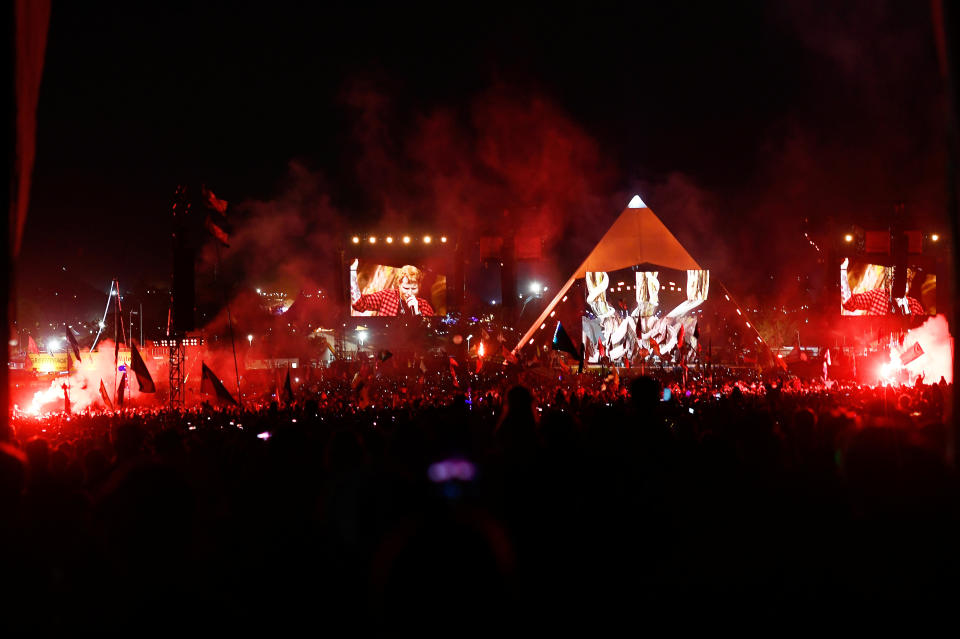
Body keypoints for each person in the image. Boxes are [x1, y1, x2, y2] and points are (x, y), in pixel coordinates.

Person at [840, 258, 924, 316]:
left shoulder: (915, 305)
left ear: (909, 285)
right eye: (896, 281)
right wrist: (843, 270)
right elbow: (849, 303)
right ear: (890, 283)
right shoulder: (877, 295)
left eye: (905, 281)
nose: (900, 285)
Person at [351, 260, 435, 317]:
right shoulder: (386, 296)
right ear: (399, 285)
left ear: (419, 287)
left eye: (413, 289)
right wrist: (352, 271)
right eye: (405, 288)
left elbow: (427, 331)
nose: (409, 293)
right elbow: (360, 304)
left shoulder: (424, 306)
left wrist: (417, 313)